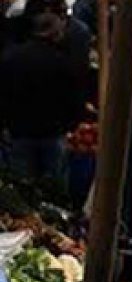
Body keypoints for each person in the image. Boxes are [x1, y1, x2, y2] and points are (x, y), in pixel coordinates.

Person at [0, 6, 83, 183]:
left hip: (19, 133)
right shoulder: (61, 62)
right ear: (53, 31)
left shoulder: (11, 58)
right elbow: (73, 98)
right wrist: (70, 125)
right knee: (55, 190)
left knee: (22, 189)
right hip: (53, 134)